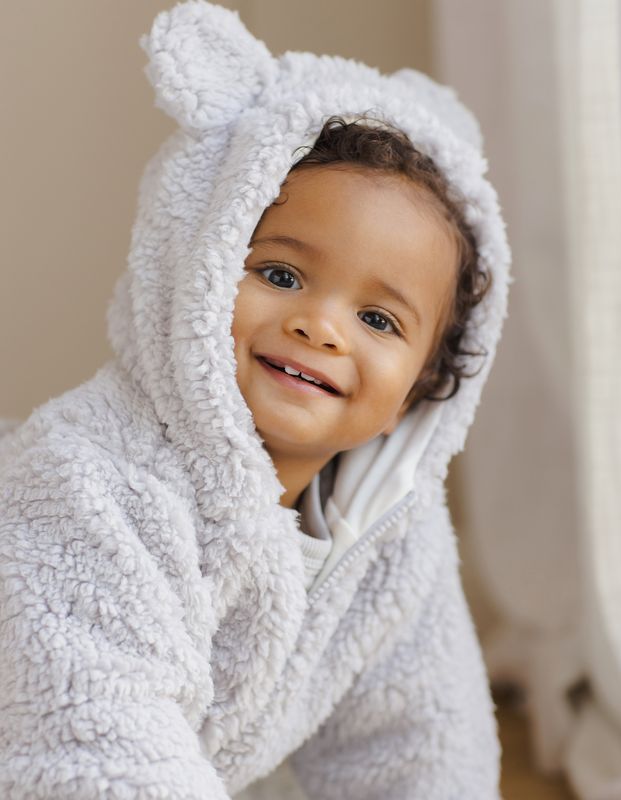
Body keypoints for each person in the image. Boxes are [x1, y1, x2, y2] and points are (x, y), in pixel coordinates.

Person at [0, 2, 510, 798]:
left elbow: (420, 742)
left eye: (377, 319)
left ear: (426, 386)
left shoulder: (390, 535)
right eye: (279, 274)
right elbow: (94, 746)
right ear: (192, 269)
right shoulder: (86, 485)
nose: (320, 327)